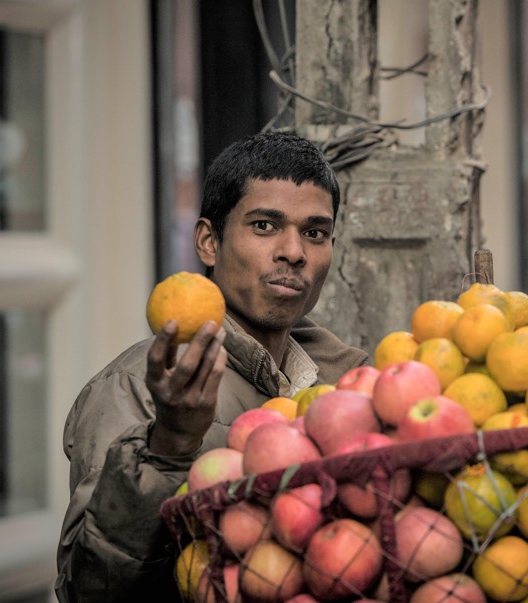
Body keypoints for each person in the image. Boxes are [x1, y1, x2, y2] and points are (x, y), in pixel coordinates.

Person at [54, 131, 369, 601]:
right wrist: (169, 446)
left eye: (315, 233)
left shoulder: (342, 387)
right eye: (264, 225)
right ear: (207, 242)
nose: (294, 252)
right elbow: (91, 589)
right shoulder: (139, 384)